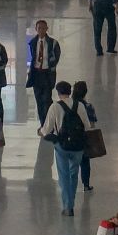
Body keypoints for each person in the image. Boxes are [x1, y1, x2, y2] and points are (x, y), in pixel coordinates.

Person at [38, 81, 88, 215]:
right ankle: (70, 201)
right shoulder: (80, 106)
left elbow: (46, 129)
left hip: (62, 146)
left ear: (58, 92)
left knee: (64, 176)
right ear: (70, 91)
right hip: (78, 146)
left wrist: (41, 132)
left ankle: (68, 206)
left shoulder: (55, 107)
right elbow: (87, 126)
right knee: (73, 173)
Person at [27, 19, 62, 111]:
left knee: (47, 100)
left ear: (47, 29)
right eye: (39, 28)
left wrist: (51, 66)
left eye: (43, 28)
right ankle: (43, 123)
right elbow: (33, 57)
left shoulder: (53, 43)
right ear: (36, 29)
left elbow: (57, 57)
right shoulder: (33, 43)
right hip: (36, 74)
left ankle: (49, 122)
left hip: (47, 74)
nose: (41, 30)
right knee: (38, 100)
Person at [72, 80, 99, 192]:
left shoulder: (69, 104)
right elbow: (92, 125)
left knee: (71, 162)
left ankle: (70, 183)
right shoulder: (88, 106)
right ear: (85, 92)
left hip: (70, 137)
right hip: (83, 138)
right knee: (85, 162)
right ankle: (86, 185)